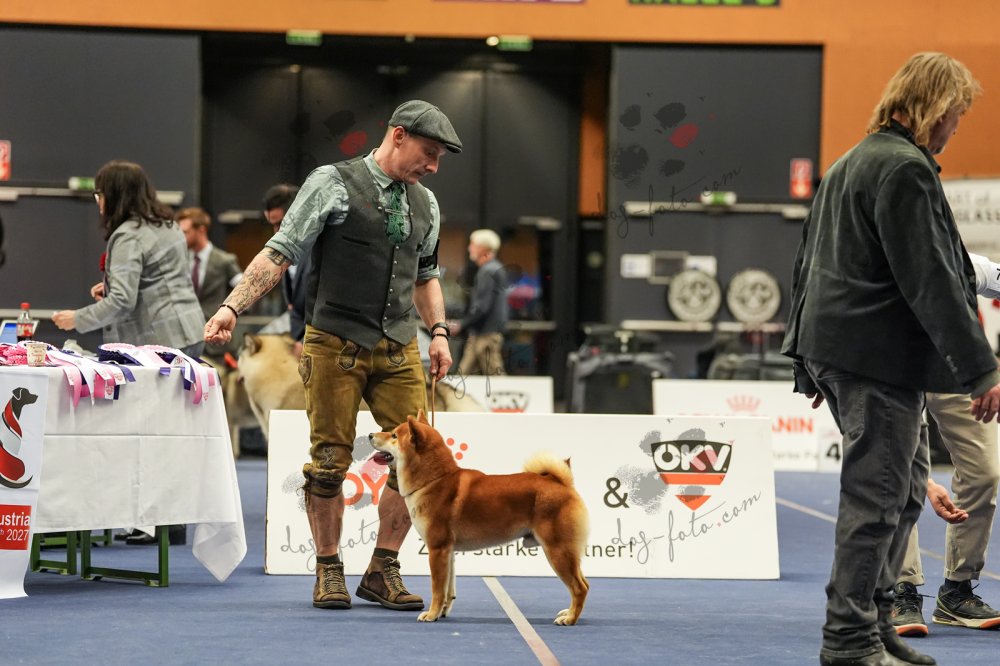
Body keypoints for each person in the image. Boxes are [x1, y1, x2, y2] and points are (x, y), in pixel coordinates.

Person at [781, 52, 1000, 666]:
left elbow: (806, 263)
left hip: (843, 351)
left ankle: (876, 626)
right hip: (874, 356)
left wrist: (803, 357)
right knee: (876, 500)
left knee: (900, 495)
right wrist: (980, 368)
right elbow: (932, 277)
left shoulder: (851, 161)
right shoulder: (904, 167)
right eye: (956, 114)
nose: (956, 128)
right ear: (935, 107)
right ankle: (849, 642)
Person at [204, 100, 460, 611]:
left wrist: (438, 332)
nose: (433, 166)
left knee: (418, 461)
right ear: (398, 135)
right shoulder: (332, 182)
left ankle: (382, 570)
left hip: (398, 346)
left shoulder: (427, 204)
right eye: (428, 152)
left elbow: (426, 275)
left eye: (438, 158)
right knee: (328, 464)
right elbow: (280, 251)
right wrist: (232, 306)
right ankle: (328, 569)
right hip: (334, 344)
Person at [52, 160, 205, 547]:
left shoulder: (126, 235)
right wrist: (111, 286)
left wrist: (77, 319)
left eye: (99, 193)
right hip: (187, 332)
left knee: (149, 433)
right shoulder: (167, 225)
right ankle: (171, 521)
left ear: (113, 195)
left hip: (159, 343)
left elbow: (123, 301)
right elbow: (156, 281)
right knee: (174, 433)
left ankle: (154, 520)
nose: (97, 200)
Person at [892, 251, 1000, 636]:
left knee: (985, 473)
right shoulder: (880, 260)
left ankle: (957, 590)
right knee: (897, 472)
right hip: (893, 368)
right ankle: (901, 588)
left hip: (957, 369)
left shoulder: (970, 265)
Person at [177, 207, 242, 357]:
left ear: (201, 230)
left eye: (185, 232)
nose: (181, 237)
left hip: (216, 342)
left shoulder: (224, 260)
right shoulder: (180, 260)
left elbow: (245, 289)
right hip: (186, 341)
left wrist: (231, 312)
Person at [449, 229, 508, 376]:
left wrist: (461, 324)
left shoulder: (488, 271)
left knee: (495, 378)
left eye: (473, 244)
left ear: (483, 248)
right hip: (481, 334)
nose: (469, 248)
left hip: (486, 336)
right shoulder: (494, 268)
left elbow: (482, 306)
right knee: (464, 377)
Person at [262, 183, 309, 356]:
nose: (277, 233)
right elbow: (295, 305)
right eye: (272, 225)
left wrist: (306, 342)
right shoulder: (285, 250)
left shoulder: (323, 248)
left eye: (281, 224)